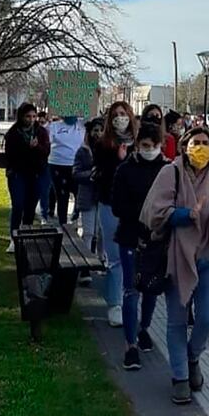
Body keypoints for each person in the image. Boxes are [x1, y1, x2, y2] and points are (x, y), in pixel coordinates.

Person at [141, 126, 209, 402]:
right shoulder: (170, 172)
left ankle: (193, 356)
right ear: (185, 145)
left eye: (206, 143)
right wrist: (184, 215)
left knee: (207, 319)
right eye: (195, 142)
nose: (200, 147)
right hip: (176, 256)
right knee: (176, 321)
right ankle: (180, 376)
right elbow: (152, 212)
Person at [111, 123, 171, 370]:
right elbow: (117, 205)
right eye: (146, 146)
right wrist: (143, 215)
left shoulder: (167, 169)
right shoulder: (125, 170)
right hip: (130, 236)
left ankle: (144, 327)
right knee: (130, 290)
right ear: (137, 146)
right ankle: (130, 345)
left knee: (150, 289)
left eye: (155, 146)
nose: (150, 150)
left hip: (156, 239)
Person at [93, 101, 137, 327]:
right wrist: (117, 160)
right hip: (109, 204)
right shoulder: (103, 144)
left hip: (134, 208)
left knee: (132, 255)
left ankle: (130, 298)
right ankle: (114, 303)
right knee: (114, 257)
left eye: (123, 114)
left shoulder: (139, 143)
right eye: (116, 114)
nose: (120, 118)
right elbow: (101, 173)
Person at [4, 103, 50, 250]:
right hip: (18, 173)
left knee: (30, 207)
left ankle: (26, 234)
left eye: (33, 116)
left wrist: (36, 148)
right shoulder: (13, 133)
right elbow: (11, 155)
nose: (31, 119)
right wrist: (27, 148)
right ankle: (14, 236)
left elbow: (46, 152)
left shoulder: (41, 132)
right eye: (28, 116)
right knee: (18, 205)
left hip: (36, 173)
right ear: (21, 117)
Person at [72, 117, 104, 278]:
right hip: (88, 195)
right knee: (89, 232)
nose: (98, 134)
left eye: (101, 130)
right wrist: (91, 174)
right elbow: (76, 173)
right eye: (95, 130)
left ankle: (100, 259)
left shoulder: (107, 150)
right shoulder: (83, 151)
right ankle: (84, 266)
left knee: (101, 232)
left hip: (103, 196)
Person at [47, 115, 84, 227]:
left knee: (78, 192)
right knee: (62, 195)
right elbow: (47, 141)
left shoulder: (82, 125)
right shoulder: (54, 126)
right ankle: (62, 223)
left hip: (76, 165)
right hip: (57, 165)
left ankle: (76, 215)